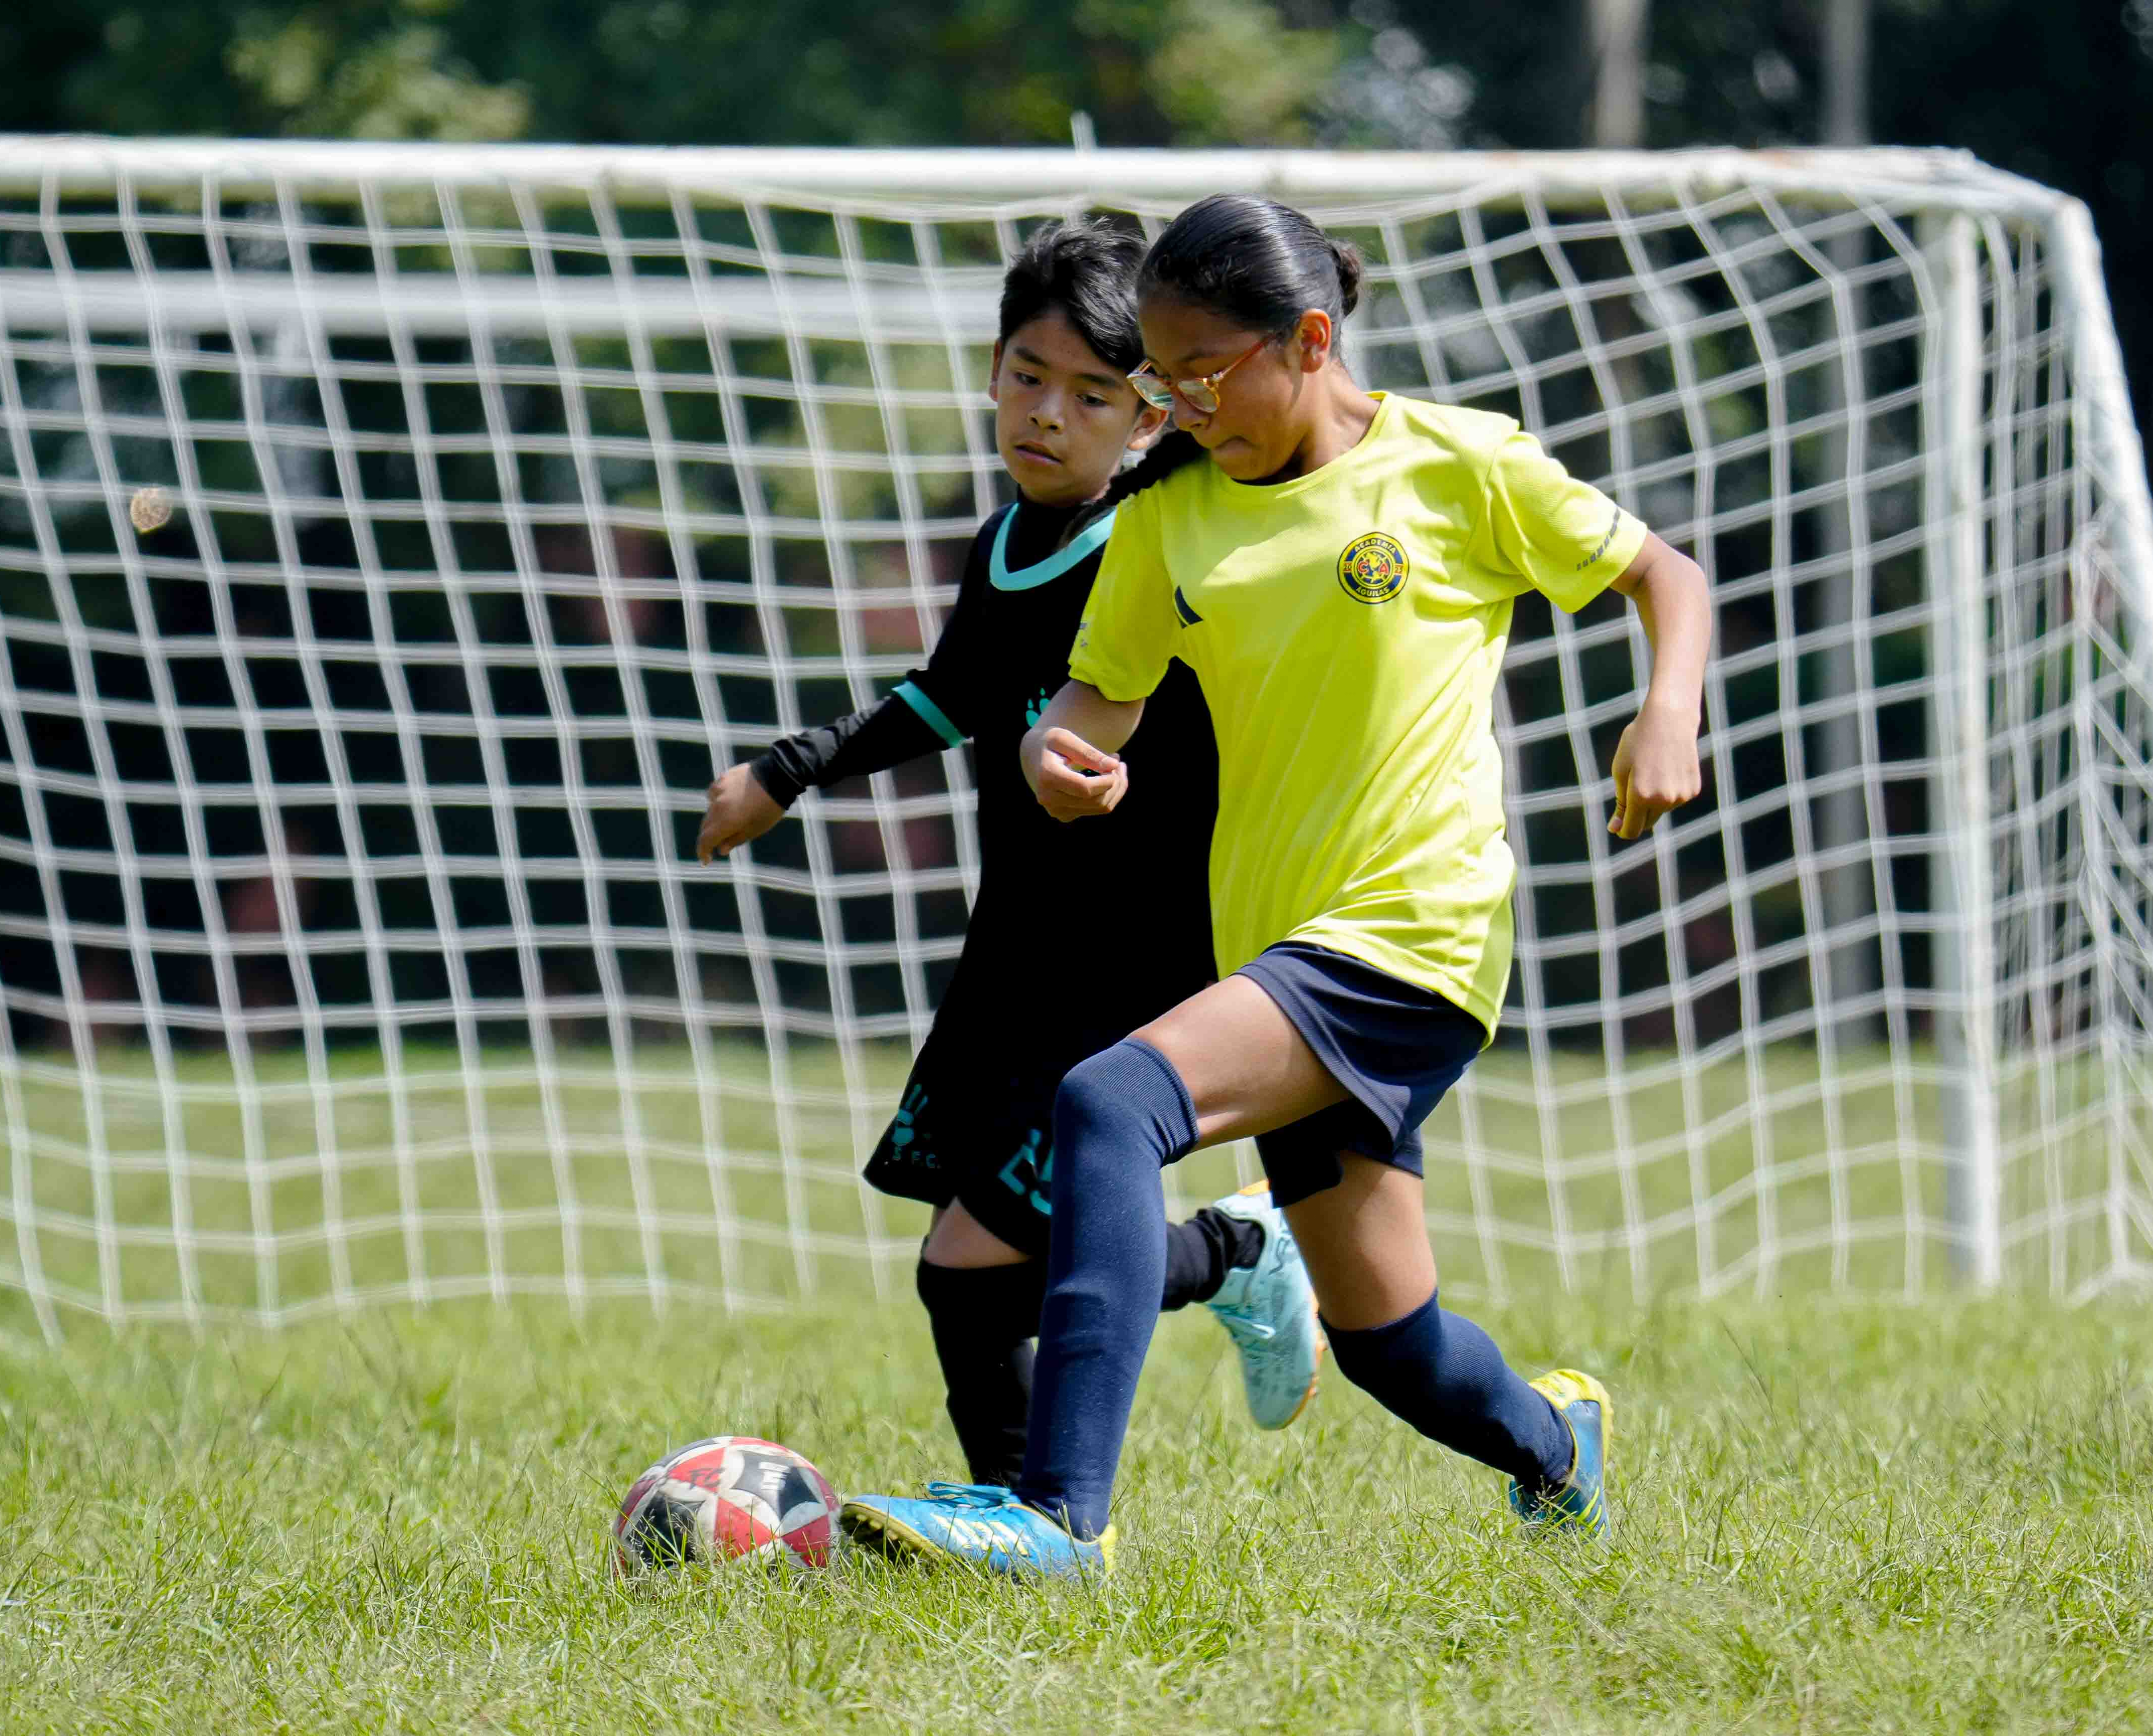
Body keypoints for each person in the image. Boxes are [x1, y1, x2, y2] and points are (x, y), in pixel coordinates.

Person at [841, 195, 1712, 1576]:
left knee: (1106, 1100)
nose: (1178, 407)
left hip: (1411, 933)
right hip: (1277, 948)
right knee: (1387, 1344)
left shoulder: (1455, 463)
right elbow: (1092, 699)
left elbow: (1664, 575)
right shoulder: (1168, 520)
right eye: (1161, 383)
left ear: (1309, 340)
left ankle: (1058, 1514)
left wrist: (1666, 710)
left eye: (1202, 374)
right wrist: (1057, 756)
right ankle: (1556, 1443)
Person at [695, 218, 1324, 1495]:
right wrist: (786, 769)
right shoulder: (1002, 543)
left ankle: (1225, 1264)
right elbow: (951, 696)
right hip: (1022, 949)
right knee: (960, 1273)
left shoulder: (1168, 525)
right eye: (1027, 377)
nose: (1049, 414)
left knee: (976, 1254)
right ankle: (1026, 1522)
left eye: (1094, 395)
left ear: (1150, 418)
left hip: (1142, 958)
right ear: (991, 371)